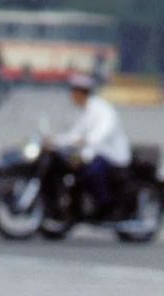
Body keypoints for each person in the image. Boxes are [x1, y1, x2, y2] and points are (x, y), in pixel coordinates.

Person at [53, 73, 131, 216]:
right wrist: (55, 141)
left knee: (92, 172)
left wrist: (84, 141)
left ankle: (105, 205)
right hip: (92, 153)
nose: (71, 96)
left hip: (111, 155)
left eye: (74, 92)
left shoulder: (103, 109)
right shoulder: (83, 112)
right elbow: (74, 134)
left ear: (82, 93)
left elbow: (102, 133)